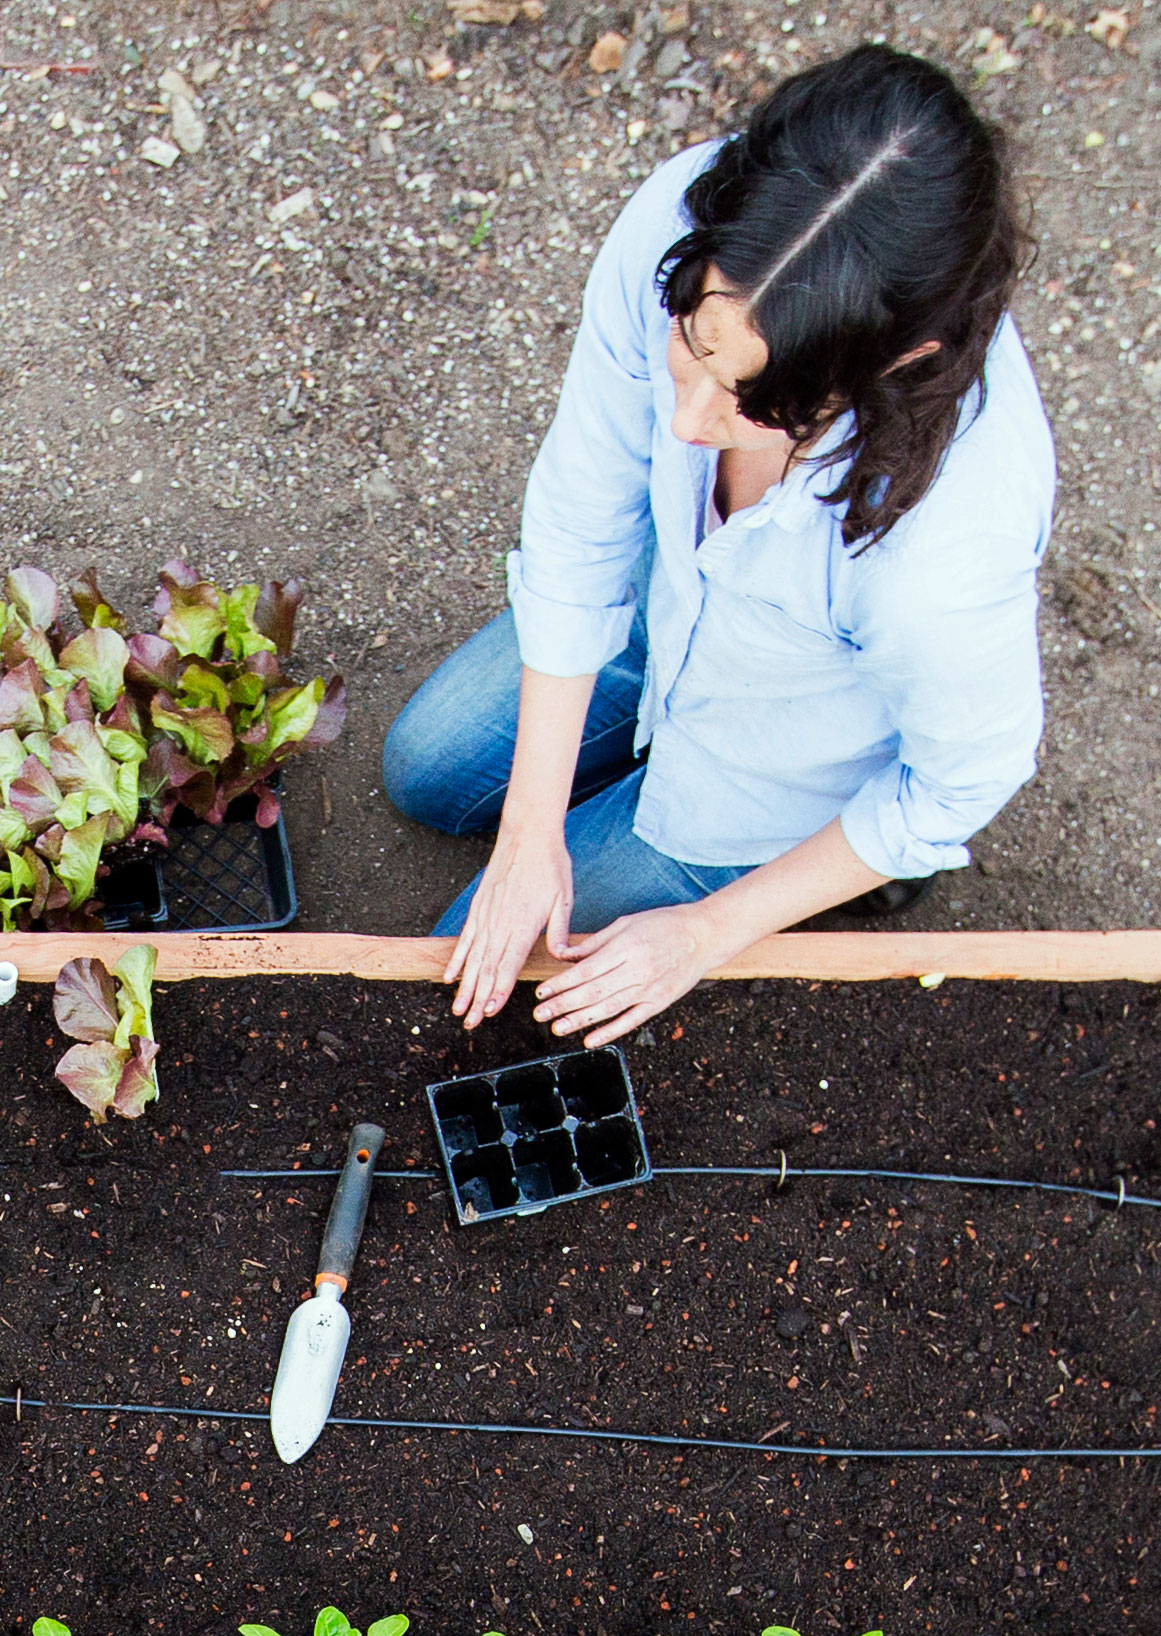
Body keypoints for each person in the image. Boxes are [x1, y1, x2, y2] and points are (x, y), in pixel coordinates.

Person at [382, 44, 1051, 1046]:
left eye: (755, 405)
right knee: (424, 771)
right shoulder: (679, 221)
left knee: (479, 985)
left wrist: (707, 931)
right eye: (691, 352)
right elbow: (587, 503)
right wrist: (528, 834)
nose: (689, 421)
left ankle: (834, 883)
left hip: (774, 759)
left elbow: (959, 783)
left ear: (896, 360)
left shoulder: (944, 552)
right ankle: (598, 784)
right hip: (669, 608)